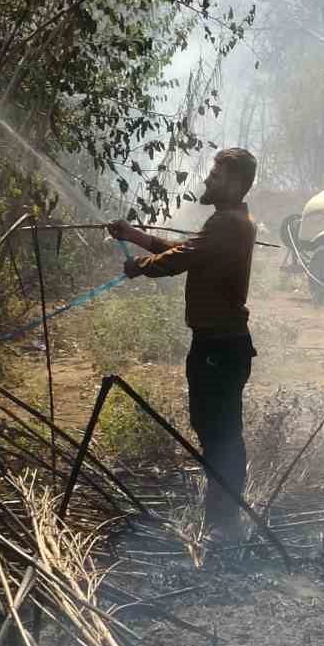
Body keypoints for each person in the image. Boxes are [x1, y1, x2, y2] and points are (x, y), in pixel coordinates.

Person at [107, 148, 258, 544]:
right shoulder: (225, 223)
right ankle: (224, 516)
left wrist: (139, 267)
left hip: (220, 349)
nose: (208, 181)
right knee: (214, 430)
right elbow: (184, 253)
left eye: (217, 175)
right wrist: (134, 237)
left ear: (238, 184)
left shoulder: (229, 224)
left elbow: (179, 259)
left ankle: (225, 522)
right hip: (217, 345)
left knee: (221, 433)